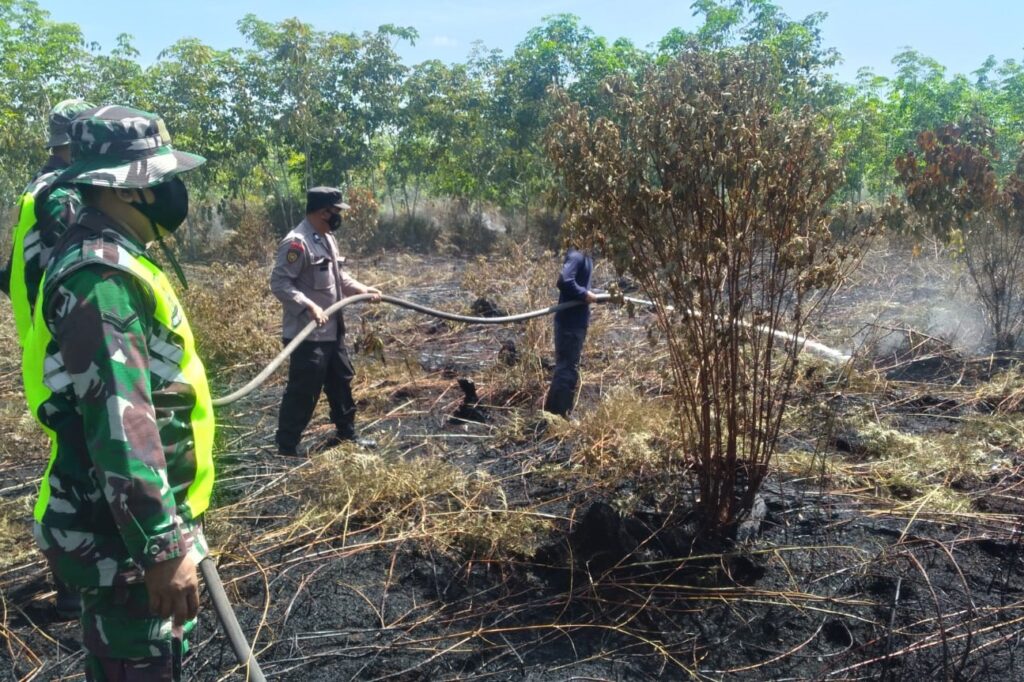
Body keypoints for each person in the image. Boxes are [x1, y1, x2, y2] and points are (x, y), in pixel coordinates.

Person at [24, 105, 215, 681]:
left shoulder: (116, 258)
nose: (173, 191)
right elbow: (120, 424)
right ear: (130, 191)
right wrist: (161, 549)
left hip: (135, 527)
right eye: (162, 178)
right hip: (123, 543)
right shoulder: (101, 278)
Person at [1, 97, 94, 620]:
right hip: (69, 351)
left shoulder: (40, 189)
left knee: (75, 457)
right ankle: (73, 580)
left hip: (49, 346)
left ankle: (73, 577)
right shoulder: (62, 195)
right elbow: (86, 270)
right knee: (79, 464)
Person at [270, 186, 382, 456]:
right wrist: (307, 305)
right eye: (336, 212)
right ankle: (286, 446)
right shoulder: (297, 243)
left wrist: (363, 289)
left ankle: (347, 433)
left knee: (341, 380)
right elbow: (279, 282)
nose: (338, 218)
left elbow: (339, 278)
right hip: (308, 335)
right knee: (304, 389)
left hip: (333, 330)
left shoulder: (327, 238)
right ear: (323, 212)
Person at [543, 248, 597, 417]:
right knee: (567, 370)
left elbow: (583, 288)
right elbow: (565, 281)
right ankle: (557, 417)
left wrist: (602, 295)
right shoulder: (578, 255)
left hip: (577, 323)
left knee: (567, 369)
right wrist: (583, 294)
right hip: (569, 324)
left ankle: (554, 415)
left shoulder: (587, 257)